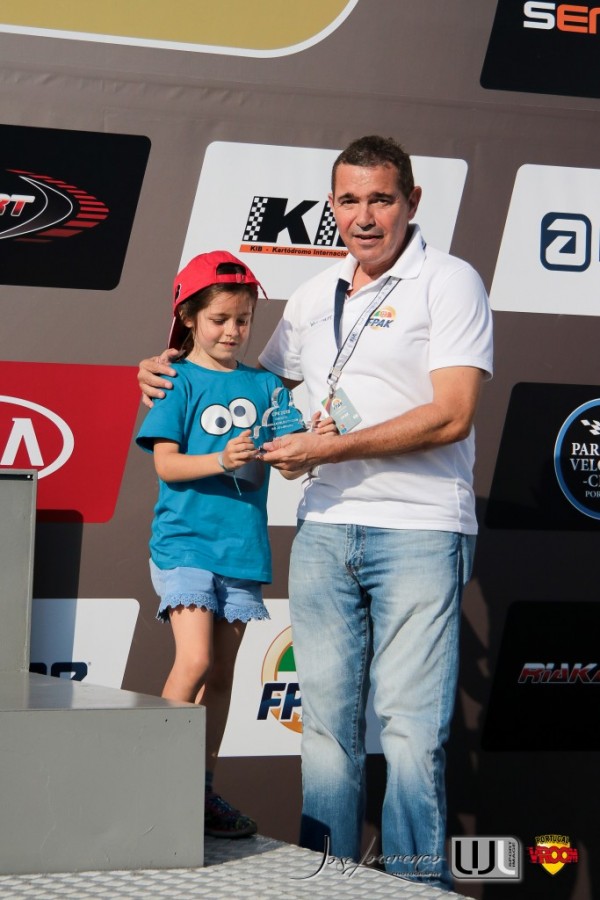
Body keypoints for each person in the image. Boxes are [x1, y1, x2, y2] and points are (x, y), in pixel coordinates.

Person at [137, 136, 493, 888]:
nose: (365, 217)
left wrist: (328, 447)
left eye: (382, 199)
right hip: (325, 528)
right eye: (349, 201)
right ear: (332, 207)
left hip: (420, 528)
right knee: (325, 730)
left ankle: (414, 887)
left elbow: (453, 414)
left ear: (412, 202)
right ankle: (330, 882)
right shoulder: (311, 296)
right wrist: (162, 367)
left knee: (409, 733)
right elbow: (242, 385)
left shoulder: (449, 281)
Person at [136, 251, 285, 839]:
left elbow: (292, 459)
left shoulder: (266, 385)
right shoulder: (174, 380)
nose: (232, 331)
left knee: (221, 676)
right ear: (189, 318)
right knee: (194, 661)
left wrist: (313, 442)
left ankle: (198, 792)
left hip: (242, 551)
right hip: (185, 545)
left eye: (243, 320)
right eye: (220, 319)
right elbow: (167, 466)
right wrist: (222, 458)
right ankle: (152, 786)